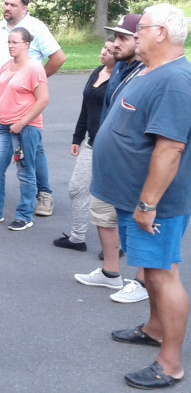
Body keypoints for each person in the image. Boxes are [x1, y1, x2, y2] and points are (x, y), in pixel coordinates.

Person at [91, 3, 191, 389]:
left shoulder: (175, 81)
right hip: (134, 197)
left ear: (161, 33)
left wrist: (148, 204)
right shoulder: (149, 70)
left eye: (142, 28)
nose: (136, 34)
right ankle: (153, 328)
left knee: (164, 273)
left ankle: (170, 363)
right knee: (149, 269)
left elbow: (170, 149)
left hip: (155, 202)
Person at [0, 0, 65, 217]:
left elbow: (58, 58)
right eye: (5, 3)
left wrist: (30, 83)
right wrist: (7, 85)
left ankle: (44, 195)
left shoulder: (36, 28)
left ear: (24, 8)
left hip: (25, 103)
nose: (7, 8)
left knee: (32, 152)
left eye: (12, 4)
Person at [72, 14, 149, 304]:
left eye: (123, 38)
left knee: (132, 221)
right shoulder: (118, 67)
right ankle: (110, 273)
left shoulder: (144, 72)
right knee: (102, 212)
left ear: (139, 40)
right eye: (115, 37)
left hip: (128, 162)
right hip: (105, 154)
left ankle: (142, 282)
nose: (116, 43)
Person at [0, 27, 49, 230]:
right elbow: (0, 93)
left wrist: (22, 123)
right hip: (3, 127)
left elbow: (43, 100)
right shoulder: (6, 66)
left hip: (26, 128)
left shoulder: (34, 68)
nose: (10, 46)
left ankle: (24, 215)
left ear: (26, 45)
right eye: (9, 42)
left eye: (15, 42)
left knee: (25, 172)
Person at [53, 36, 115, 251]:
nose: (104, 52)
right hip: (92, 143)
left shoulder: (122, 78)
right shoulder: (97, 71)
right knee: (77, 189)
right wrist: (77, 137)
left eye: (110, 50)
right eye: (103, 48)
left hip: (113, 147)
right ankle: (77, 238)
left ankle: (117, 246)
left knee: (112, 197)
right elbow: (86, 107)